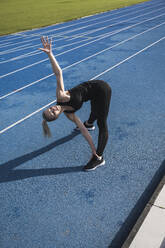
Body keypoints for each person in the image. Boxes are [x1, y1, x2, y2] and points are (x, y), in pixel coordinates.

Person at [39, 36, 112, 171]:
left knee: (102, 122)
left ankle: (99, 158)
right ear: (56, 117)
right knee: (94, 112)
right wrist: (92, 148)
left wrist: (50, 54)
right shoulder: (69, 115)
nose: (53, 108)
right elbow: (83, 132)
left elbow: (58, 73)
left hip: (101, 88)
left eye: (50, 108)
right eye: (53, 112)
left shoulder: (61, 96)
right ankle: (90, 126)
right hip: (94, 95)